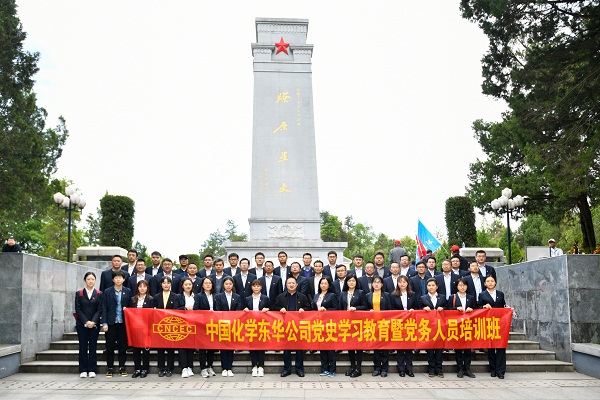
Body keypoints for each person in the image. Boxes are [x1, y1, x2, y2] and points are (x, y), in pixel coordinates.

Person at [276, 276, 311, 377]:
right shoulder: (281, 297)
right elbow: (275, 307)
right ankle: (287, 369)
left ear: (296, 285)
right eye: (289, 283)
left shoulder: (302, 296)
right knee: (286, 349)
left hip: (299, 326)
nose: (291, 285)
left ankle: (299, 369)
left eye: (293, 283)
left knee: (299, 348)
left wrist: (304, 310)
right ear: (286, 285)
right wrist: (280, 309)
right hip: (286, 326)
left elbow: (308, 307)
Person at [478, 275, 512, 379]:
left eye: (492, 281)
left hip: (500, 324)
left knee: (501, 347)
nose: (490, 283)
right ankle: (493, 369)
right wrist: (483, 307)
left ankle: (501, 371)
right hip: (489, 323)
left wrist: (509, 309)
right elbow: (478, 307)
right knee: (491, 347)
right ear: (485, 283)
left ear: (495, 282)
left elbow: (503, 306)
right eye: (488, 281)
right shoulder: (482, 295)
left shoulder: (500, 294)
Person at [101, 269, 132, 378]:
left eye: (120, 278)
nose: (118, 279)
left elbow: (131, 307)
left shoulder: (128, 291)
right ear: (113, 279)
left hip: (123, 323)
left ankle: (122, 367)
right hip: (111, 323)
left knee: (122, 346)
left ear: (124, 279)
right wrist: (104, 323)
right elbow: (104, 308)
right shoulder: (107, 291)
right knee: (109, 346)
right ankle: (110, 368)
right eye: (116, 278)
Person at [74, 272, 102, 378]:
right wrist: (86, 321)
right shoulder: (79, 293)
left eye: (92, 279)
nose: (90, 281)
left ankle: (92, 369)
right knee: (83, 346)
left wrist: (93, 321)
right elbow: (78, 309)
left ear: (95, 280)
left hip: (95, 325)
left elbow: (100, 309)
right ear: (85, 280)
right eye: (88, 279)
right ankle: (83, 369)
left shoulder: (99, 293)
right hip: (82, 325)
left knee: (93, 346)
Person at [419, 278, 448, 378]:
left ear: (437, 286)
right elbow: (418, 310)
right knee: (430, 350)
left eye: (433, 285)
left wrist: (443, 308)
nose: (431, 287)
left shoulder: (442, 297)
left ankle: (439, 369)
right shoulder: (423, 298)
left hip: (440, 327)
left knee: (439, 349)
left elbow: (448, 309)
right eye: (429, 285)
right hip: (428, 327)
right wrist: (423, 309)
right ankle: (431, 369)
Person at [365, 275, 393, 377]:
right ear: (372, 284)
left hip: (384, 324)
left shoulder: (387, 295)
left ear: (382, 284)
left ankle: (384, 369)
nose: (376, 284)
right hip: (373, 324)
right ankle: (377, 368)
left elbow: (390, 309)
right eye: (375, 282)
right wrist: (369, 311)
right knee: (376, 347)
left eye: (378, 282)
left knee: (384, 348)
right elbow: (365, 308)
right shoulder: (368, 295)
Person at [449, 277, 477, 378]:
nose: (462, 287)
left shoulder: (471, 297)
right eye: (460, 285)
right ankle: (460, 369)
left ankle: (467, 369)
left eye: (464, 285)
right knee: (458, 349)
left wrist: (471, 309)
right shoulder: (452, 297)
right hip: (457, 326)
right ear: (457, 286)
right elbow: (448, 310)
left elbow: (476, 310)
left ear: (467, 286)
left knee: (468, 349)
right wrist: (456, 309)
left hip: (468, 326)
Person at [215, 276, 242, 377]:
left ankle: (229, 368)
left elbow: (238, 310)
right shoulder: (218, 296)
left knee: (231, 347)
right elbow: (218, 310)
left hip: (233, 325)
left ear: (233, 285)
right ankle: (224, 368)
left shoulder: (237, 296)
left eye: (230, 284)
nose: (228, 286)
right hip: (222, 325)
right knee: (223, 347)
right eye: (226, 284)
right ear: (223, 285)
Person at [339, 275, 366, 377]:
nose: (351, 282)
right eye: (349, 281)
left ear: (356, 282)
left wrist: (356, 308)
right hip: (346, 323)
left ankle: (358, 368)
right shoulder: (343, 293)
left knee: (358, 346)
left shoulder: (360, 292)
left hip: (357, 323)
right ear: (346, 282)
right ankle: (352, 367)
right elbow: (340, 308)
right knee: (350, 346)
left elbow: (365, 306)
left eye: (353, 281)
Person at [311, 277, 338, 377]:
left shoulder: (332, 295)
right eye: (321, 283)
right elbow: (313, 308)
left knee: (330, 348)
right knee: (322, 347)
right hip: (318, 324)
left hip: (328, 324)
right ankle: (324, 368)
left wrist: (326, 310)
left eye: (325, 283)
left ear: (329, 285)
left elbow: (336, 309)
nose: (323, 285)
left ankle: (332, 369)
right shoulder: (316, 295)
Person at [391, 275, 417, 377]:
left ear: (407, 283)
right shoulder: (393, 295)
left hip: (410, 323)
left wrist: (413, 310)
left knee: (409, 347)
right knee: (400, 347)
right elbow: (391, 309)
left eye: (404, 282)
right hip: (398, 324)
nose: (402, 284)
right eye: (400, 282)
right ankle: (401, 369)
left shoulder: (413, 294)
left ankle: (409, 369)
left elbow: (417, 307)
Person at [243, 280, 270, 377]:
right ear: (251, 287)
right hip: (251, 325)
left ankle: (261, 366)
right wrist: (245, 310)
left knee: (261, 346)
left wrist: (267, 309)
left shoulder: (265, 298)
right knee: (252, 346)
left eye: (258, 286)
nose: (256, 288)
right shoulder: (247, 298)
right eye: (254, 286)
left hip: (262, 325)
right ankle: (254, 365)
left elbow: (271, 309)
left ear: (261, 287)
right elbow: (243, 309)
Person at [153, 276, 177, 377]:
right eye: (164, 283)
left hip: (171, 325)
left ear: (171, 284)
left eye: (168, 283)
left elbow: (176, 311)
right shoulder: (156, 296)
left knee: (171, 348)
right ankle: (161, 368)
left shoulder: (175, 296)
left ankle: (170, 368)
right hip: (160, 325)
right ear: (161, 284)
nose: (166, 285)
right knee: (160, 348)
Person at [193, 277, 217, 378]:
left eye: (209, 283)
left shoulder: (216, 296)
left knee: (211, 347)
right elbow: (195, 310)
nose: (208, 285)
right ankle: (203, 368)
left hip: (213, 324)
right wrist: (207, 313)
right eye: (206, 283)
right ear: (202, 285)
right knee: (202, 348)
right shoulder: (198, 296)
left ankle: (209, 366)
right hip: (202, 324)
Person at [130, 279, 153, 378]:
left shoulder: (150, 299)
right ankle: (137, 369)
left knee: (145, 350)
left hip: (146, 328)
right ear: (137, 288)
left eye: (144, 286)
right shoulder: (133, 299)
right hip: (135, 327)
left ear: (147, 288)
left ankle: (145, 369)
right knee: (136, 350)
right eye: (140, 286)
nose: (142, 288)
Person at [177, 277, 195, 378]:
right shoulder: (178, 297)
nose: (188, 286)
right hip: (181, 324)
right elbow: (175, 309)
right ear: (182, 286)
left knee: (191, 346)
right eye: (186, 284)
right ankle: (184, 368)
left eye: (189, 284)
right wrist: (184, 308)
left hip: (193, 324)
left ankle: (190, 367)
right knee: (182, 347)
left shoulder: (195, 296)